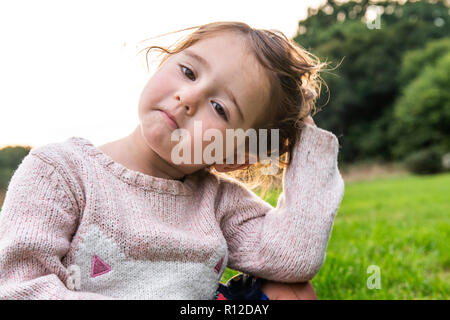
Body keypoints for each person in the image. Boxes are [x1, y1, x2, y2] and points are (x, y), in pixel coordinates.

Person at [0, 21, 344, 300]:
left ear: (232, 157)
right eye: (189, 72)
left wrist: (310, 146)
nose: (188, 97)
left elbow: (293, 258)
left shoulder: (218, 202)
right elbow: (18, 287)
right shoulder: (62, 171)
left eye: (220, 108)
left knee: (291, 291)